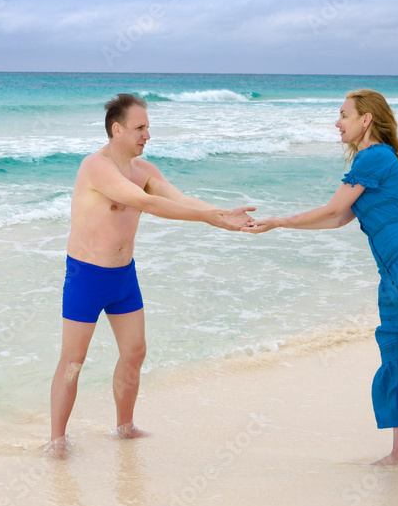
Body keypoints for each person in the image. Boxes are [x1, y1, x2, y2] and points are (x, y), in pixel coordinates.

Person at [245, 89, 398, 494]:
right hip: (395, 271)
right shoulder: (373, 162)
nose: (337, 122)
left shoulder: (373, 156)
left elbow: (329, 210)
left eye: (343, 114)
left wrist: (276, 221)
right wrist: (281, 225)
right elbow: (338, 219)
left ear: (366, 120)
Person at [47, 93, 255, 457]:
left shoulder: (145, 170)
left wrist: (221, 214)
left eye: (148, 128)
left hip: (123, 277)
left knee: (135, 351)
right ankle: (57, 440)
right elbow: (146, 203)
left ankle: (124, 427)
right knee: (73, 361)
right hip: (87, 276)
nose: (147, 135)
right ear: (117, 129)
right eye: (140, 128)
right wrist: (208, 218)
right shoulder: (96, 167)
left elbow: (179, 198)